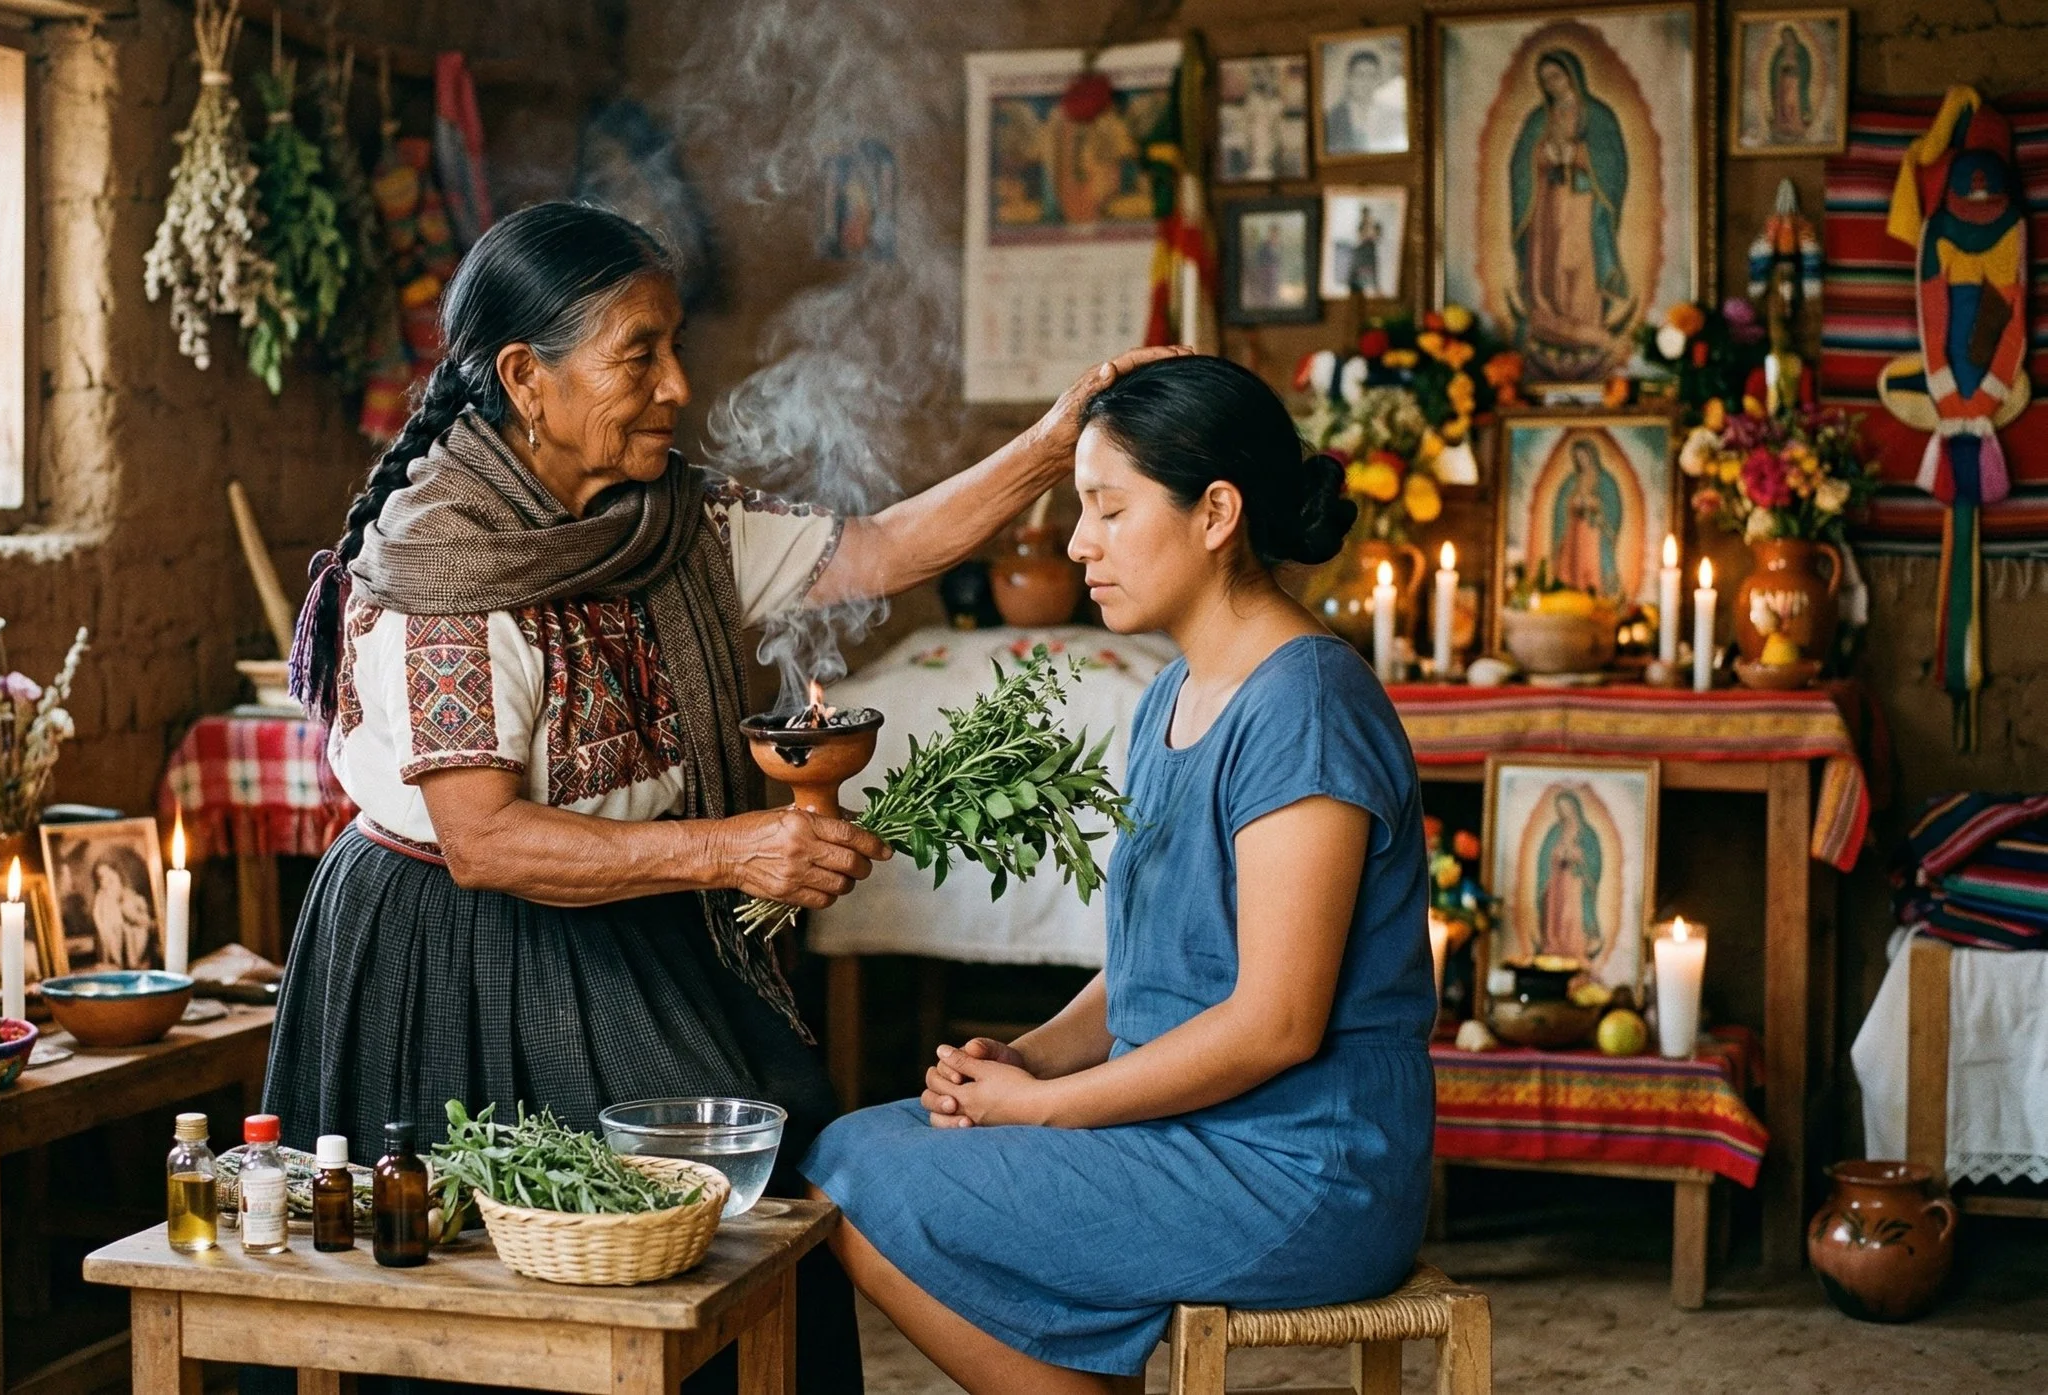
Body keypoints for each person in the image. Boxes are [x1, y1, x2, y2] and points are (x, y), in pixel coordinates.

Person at [273, 200, 1187, 1394]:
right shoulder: (448, 570)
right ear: (523, 378)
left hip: (629, 922)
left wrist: (1049, 442)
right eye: (636, 354)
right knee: (550, 1278)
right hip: (457, 952)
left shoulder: (661, 523)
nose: (676, 387)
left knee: (763, 1182)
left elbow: (876, 548)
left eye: (673, 346)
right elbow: (484, 839)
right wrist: (735, 850)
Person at [803, 355, 1434, 1395]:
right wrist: (1034, 1060)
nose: (1075, 543)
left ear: (1216, 512)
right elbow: (1150, 963)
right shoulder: (1171, 694)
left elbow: (1277, 1021)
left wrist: (1048, 1112)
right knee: (864, 1156)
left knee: (853, 1174)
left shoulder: (1306, 706)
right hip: (1181, 1133)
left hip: (1302, 1168)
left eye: (1106, 508)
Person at [1509, 49, 1632, 356]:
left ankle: (1584, 323)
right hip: (1547, 203)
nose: (1551, 85)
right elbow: (1520, 161)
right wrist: (1543, 156)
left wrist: (1579, 155)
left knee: (1577, 260)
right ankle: (1548, 320)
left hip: (1582, 201)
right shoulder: (1539, 118)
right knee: (1546, 260)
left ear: (1572, 74)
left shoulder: (1598, 115)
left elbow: (1613, 160)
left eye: (1556, 76)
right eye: (1545, 80)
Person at [1530, 788, 1606, 962]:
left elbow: (1595, 860)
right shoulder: (1555, 831)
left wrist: (1580, 857)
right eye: (1561, 809)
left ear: (1575, 808)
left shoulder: (1587, 833)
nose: (1564, 812)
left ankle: (1576, 949)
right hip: (1557, 880)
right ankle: (1554, 947)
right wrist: (1555, 855)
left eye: (1567, 808)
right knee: (1556, 913)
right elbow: (1544, 857)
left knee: (1571, 915)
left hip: (1576, 882)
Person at [1549, 438, 1623, 595]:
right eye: (1578, 457)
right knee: (1572, 567)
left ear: (1592, 456)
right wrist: (1573, 503)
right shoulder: (1571, 481)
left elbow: (1612, 507)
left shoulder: (1605, 481)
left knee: (1592, 570)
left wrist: (1596, 505)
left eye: (1584, 456)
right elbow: (1561, 506)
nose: (1582, 461)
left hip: (1594, 533)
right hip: (1574, 532)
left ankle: (1596, 597)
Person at [1325, 47, 1404, 155]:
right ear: (1349, 79)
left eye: (1372, 76)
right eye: (1360, 75)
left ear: (1378, 80)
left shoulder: (1390, 115)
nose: (1366, 82)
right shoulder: (1333, 118)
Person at [87, 851, 155, 969]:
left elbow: (133, 912)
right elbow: (97, 914)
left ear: (116, 874)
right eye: (101, 878)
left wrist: (129, 911)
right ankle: (117, 962)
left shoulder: (127, 893)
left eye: (110, 877)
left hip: (124, 922)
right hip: (108, 924)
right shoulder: (101, 896)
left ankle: (132, 962)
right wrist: (102, 927)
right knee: (113, 935)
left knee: (131, 932)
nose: (106, 881)